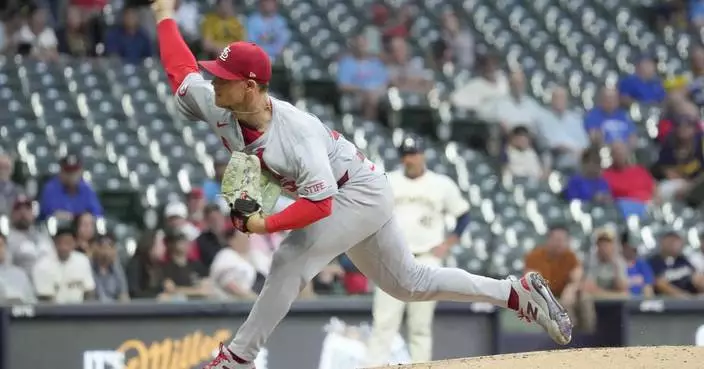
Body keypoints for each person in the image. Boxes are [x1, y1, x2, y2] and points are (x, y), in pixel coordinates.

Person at [149, 0, 572, 366]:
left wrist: (262, 225)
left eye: (223, 76)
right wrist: (165, 15)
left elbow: (321, 207)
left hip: (357, 190)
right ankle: (516, 293)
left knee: (290, 258)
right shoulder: (218, 102)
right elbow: (181, 73)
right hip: (342, 190)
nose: (214, 80)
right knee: (409, 284)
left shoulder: (297, 132)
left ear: (250, 86)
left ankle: (238, 358)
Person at [365, 135, 471, 366]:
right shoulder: (388, 181)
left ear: (423, 155)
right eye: (406, 154)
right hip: (392, 260)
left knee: (420, 326)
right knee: (384, 323)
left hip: (427, 259)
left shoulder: (442, 184)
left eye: (414, 154)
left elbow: (464, 216)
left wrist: (448, 243)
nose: (410, 159)